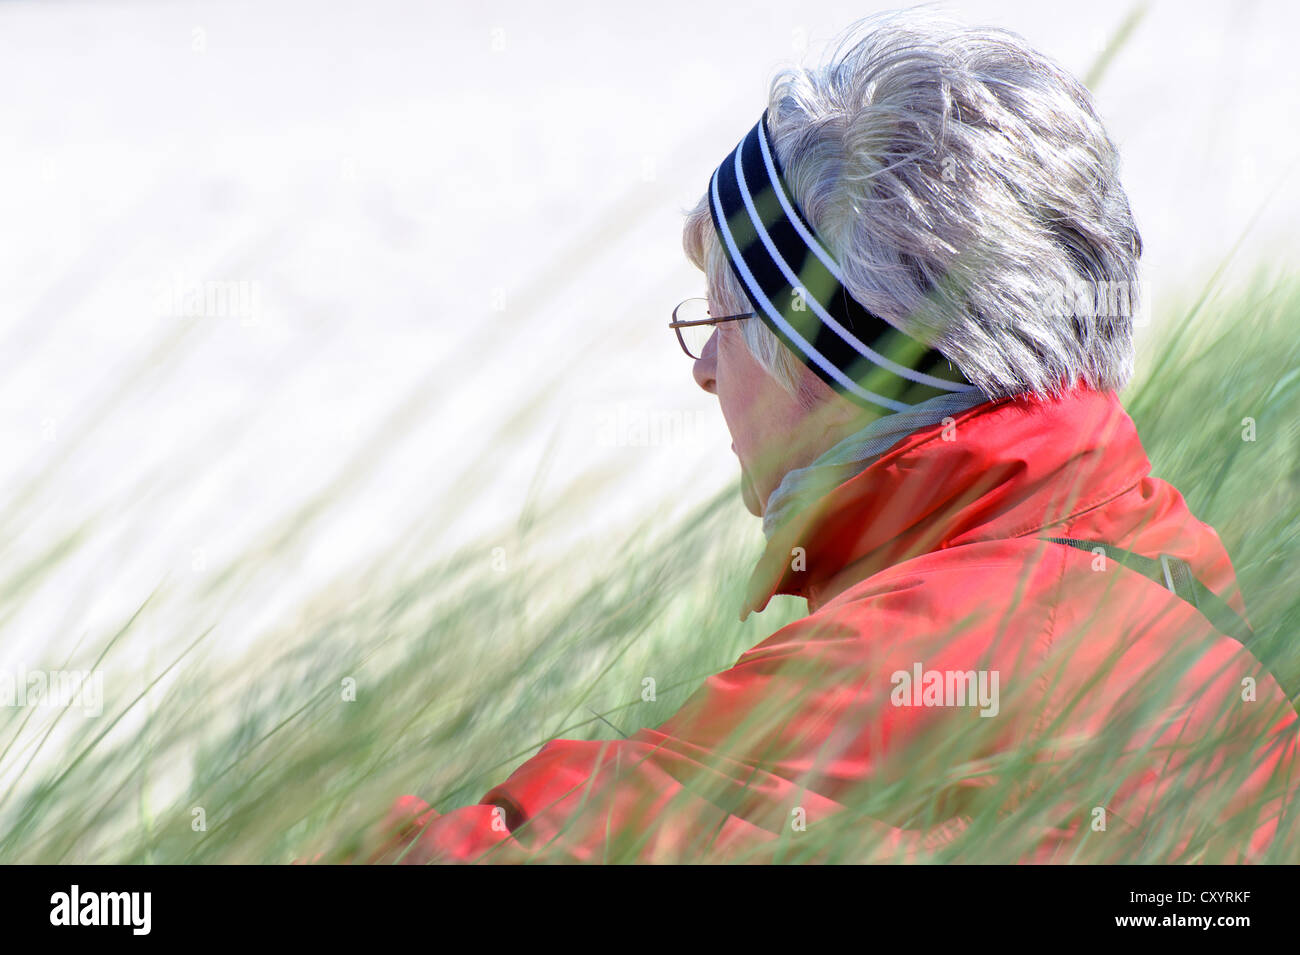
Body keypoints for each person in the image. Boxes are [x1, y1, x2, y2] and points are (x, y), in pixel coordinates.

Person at [351, 9, 1298, 864]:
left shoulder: (929, 646)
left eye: (722, 319)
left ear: (833, 358)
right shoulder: (1158, 560)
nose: (704, 370)